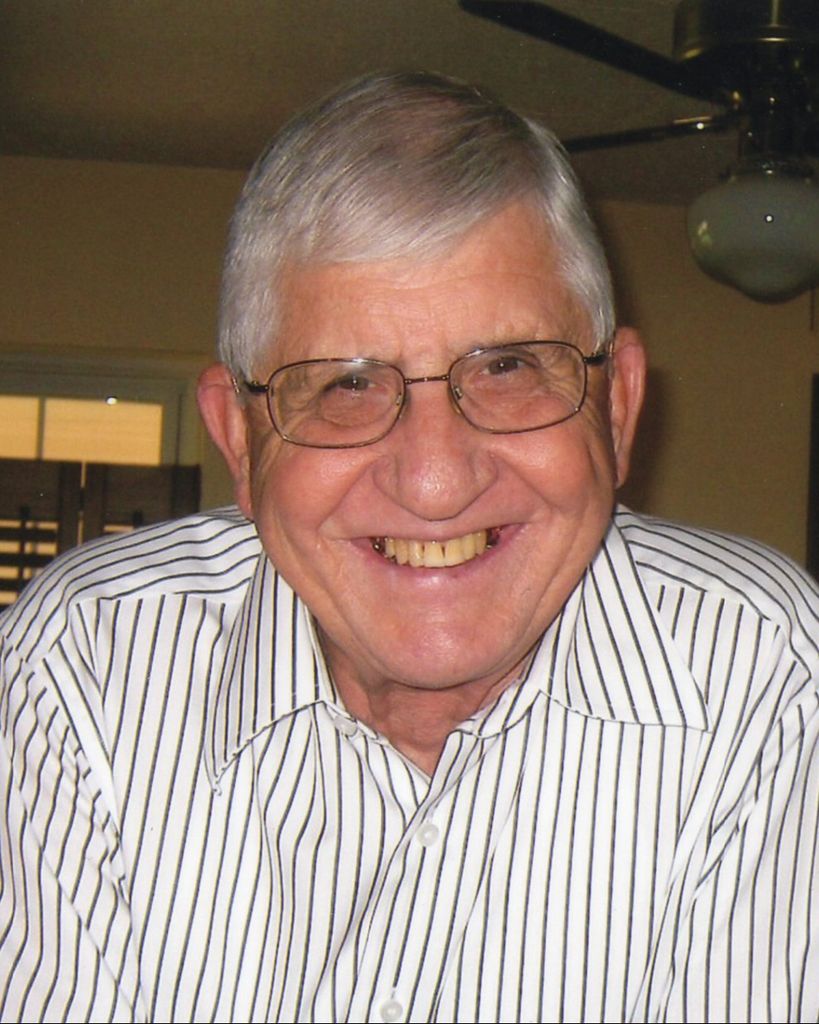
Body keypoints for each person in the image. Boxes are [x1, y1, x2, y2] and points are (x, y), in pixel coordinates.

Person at [1, 71, 817, 1024]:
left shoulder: (773, 679)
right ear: (239, 441)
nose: (435, 483)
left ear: (617, 406)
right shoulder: (85, 665)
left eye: (508, 366)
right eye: (345, 385)